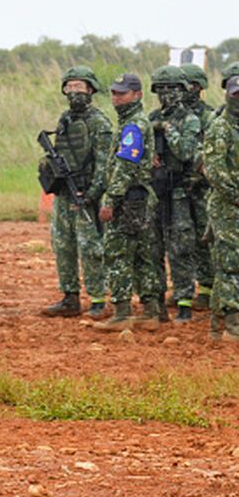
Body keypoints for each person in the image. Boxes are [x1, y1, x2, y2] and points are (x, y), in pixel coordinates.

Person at [41, 66, 112, 318]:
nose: (73, 92)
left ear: (91, 89)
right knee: (63, 245)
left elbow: (104, 166)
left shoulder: (99, 123)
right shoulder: (65, 119)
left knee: (90, 248)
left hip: (86, 194)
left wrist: (91, 195)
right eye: (69, 87)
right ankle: (69, 297)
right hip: (64, 194)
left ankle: (97, 300)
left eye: (79, 86)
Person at [93, 73, 162, 332]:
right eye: (114, 93)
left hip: (128, 198)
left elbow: (125, 165)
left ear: (137, 95)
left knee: (118, 253)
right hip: (140, 197)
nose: (116, 98)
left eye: (122, 93)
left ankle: (122, 312)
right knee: (143, 255)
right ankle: (150, 311)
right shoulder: (136, 122)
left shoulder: (133, 125)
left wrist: (110, 199)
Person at [147, 65, 202, 322]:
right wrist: (151, 157)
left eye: (173, 88)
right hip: (155, 189)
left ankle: (184, 302)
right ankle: (156, 300)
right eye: (162, 89)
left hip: (179, 191)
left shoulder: (189, 119)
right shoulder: (151, 118)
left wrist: (167, 129)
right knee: (153, 245)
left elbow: (186, 152)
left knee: (181, 247)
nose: (167, 93)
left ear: (182, 90)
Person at [202, 74, 239, 342]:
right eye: (236, 94)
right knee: (229, 263)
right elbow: (213, 170)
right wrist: (236, 195)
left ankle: (217, 326)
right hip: (227, 206)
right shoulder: (220, 127)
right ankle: (231, 323)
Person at [180, 63, 215, 311]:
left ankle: (207, 288)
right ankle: (185, 288)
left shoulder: (210, 117)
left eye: (190, 85)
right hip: (179, 186)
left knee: (205, 238)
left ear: (200, 87)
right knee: (182, 239)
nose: (185, 90)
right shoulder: (175, 115)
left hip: (204, 187)